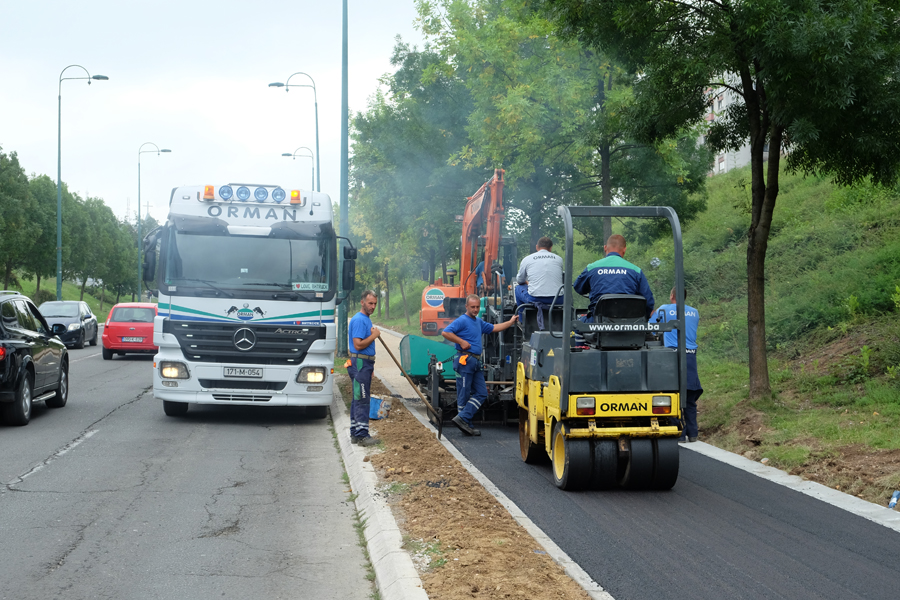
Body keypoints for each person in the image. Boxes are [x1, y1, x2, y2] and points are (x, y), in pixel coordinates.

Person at [441, 294, 518, 436]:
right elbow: (445, 332)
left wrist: (511, 322)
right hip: (465, 361)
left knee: (482, 393)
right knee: (463, 394)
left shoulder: (478, 322)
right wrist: (462, 342)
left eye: (477, 307)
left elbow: (495, 327)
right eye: (473, 307)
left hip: (475, 362)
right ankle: (466, 424)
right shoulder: (462, 321)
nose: (476, 309)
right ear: (466, 307)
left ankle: (463, 418)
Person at [652, 287, 702, 442]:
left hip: (672, 356)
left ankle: (679, 433)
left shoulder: (664, 310)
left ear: (672, 295)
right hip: (690, 355)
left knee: (672, 393)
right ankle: (693, 433)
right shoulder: (694, 312)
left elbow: (652, 329)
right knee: (689, 395)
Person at [573, 234, 655, 320]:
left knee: (574, 329)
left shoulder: (592, 268)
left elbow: (578, 287)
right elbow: (648, 301)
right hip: (629, 324)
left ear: (605, 248)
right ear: (624, 249)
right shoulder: (636, 270)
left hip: (598, 323)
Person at [348, 290, 381, 447]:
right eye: (370, 303)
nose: (373, 306)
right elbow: (358, 344)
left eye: (375, 303)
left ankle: (355, 433)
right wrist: (374, 336)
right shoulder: (360, 320)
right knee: (362, 398)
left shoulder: (365, 319)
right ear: (362, 302)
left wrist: (370, 366)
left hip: (364, 364)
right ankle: (362, 435)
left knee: (357, 397)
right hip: (360, 363)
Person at [514, 236, 564, 325]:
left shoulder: (527, 259)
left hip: (536, 298)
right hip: (557, 299)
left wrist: (526, 282)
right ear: (551, 248)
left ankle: (521, 321)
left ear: (537, 247)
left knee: (518, 288)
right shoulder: (559, 259)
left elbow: (520, 280)